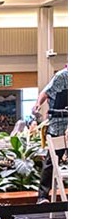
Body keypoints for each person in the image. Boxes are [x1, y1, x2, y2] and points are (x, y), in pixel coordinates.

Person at [33, 65, 68, 203]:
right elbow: (46, 92)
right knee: (51, 161)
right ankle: (42, 197)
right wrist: (38, 104)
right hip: (59, 124)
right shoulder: (62, 76)